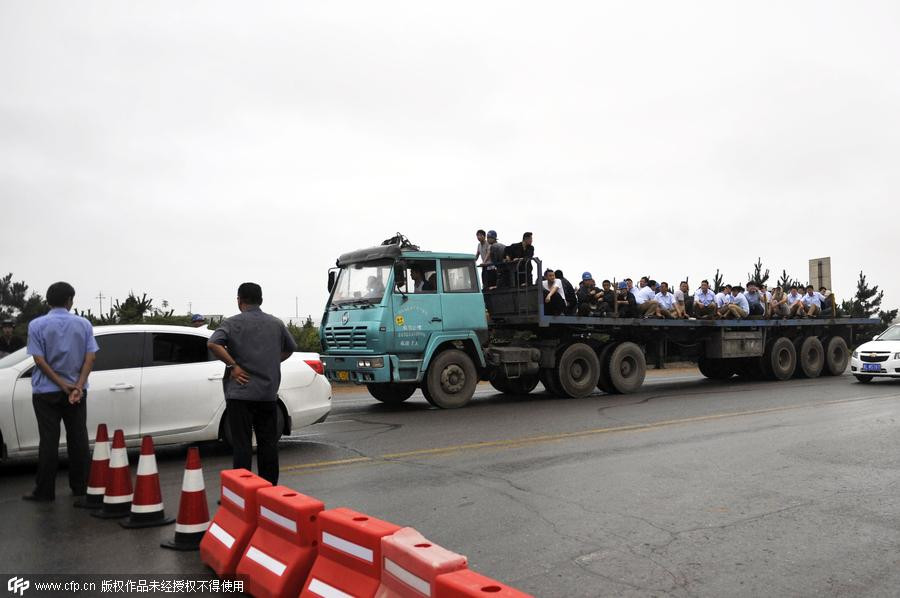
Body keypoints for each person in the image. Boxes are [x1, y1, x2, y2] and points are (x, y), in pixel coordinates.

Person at [208, 282, 298, 485]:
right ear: (261, 300)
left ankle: (243, 491)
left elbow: (213, 343)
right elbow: (290, 348)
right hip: (267, 394)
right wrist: (271, 361)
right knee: (268, 444)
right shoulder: (276, 323)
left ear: (239, 300)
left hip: (240, 395)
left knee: (242, 445)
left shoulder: (232, 323)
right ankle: (269, 490)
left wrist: (233, 366)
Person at [24, 282, 97, 502]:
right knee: (78, 438)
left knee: (48, 441)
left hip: (46, 392)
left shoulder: (36, 325)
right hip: (76, 391)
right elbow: (90, 357)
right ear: (70, 301)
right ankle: (81, 487)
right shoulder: (83, 324)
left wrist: (60, 384)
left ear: (48, 301)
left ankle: (45, 491)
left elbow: (39, 360)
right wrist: (78, 385)